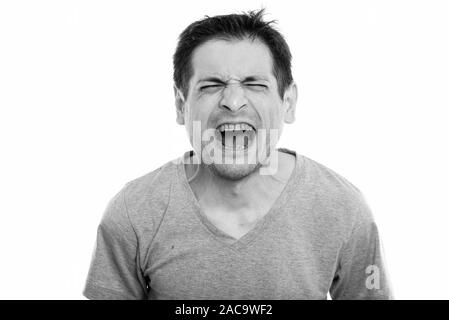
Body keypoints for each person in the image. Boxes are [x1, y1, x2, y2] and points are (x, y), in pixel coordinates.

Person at [83, 9, 393, 300]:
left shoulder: (345, 209)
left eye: (254, 84)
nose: (233, 101)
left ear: (288, 102)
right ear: (181, 106)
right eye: (212, 85)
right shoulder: (132, 212)